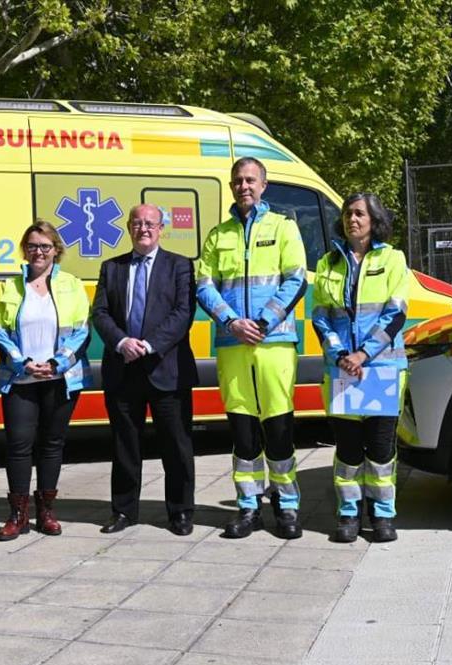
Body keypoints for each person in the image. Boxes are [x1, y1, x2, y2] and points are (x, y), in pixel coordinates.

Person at [196, 157, 308, 539]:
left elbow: (296, 279)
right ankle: (248, 507)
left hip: (273, 342)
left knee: (278, 429)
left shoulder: (283, 227)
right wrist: (232, 322)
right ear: (231, 186)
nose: (243, 186)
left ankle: (286, 505)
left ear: (263, 185)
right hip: (233, 344)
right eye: (237, 181)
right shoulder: (218, 235)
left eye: (250, 180)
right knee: (242, 433)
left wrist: (261, 323)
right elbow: (204, 285)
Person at [91, 204, 198, 536]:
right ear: (128, 228)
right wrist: (122, 342)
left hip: (167, 369)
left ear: (161, 228)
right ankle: (124, 511)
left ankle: (180, 512)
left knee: (177, 447)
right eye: (137, 223)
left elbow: (183, 313)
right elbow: (100, 313)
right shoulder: (112, 267)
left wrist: (149, 345)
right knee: (125, 445)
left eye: (150, 223)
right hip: (123, 368)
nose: (144, 229)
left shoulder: (180, 265)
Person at [311, 193, 410, 544]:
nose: (352, 219)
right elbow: (320, 316)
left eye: (359, 214)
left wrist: (363, 354)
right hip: (342, 369)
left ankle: (382, 515)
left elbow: (396, 313)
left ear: (374, 220)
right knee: (348, 450)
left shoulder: (393, 259)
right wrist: (341, 354)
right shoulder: (328, 263)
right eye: (347, 214)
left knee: (381, 450)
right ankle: (349, 513)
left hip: (381, 368)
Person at [0, 220, 91, 541]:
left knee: (51, 445)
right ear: (25, 249)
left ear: (55, 250)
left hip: (60, 378)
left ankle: (46, 511)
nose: (39, 252)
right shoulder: (10, 287)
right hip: (20, 379)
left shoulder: (72, 285)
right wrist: (22, 363)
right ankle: (17, 515)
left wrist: (56, 363)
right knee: (19, 446)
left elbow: (82, 331)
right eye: (32, 245)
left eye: (45, 246)